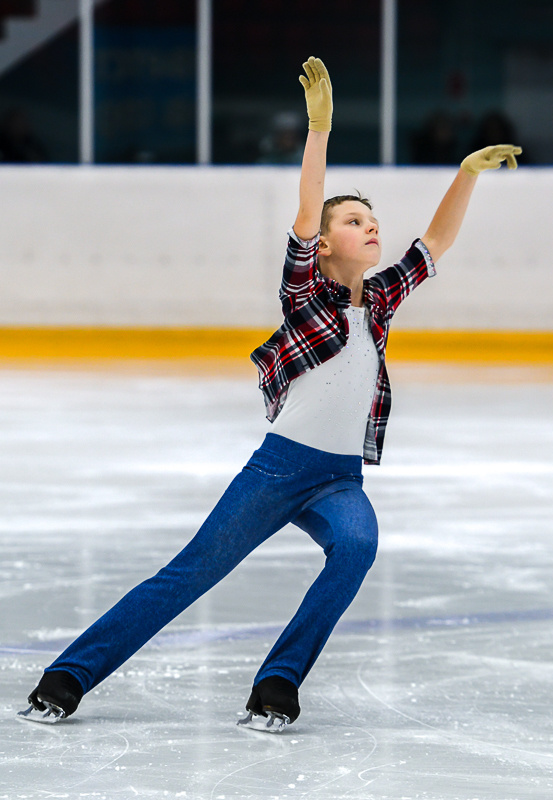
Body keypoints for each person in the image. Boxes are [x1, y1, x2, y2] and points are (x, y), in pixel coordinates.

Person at [20, 57, 521, 732]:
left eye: (372, 220)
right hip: (277, 471)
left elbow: (434, 242)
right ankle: (67, 677)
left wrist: (466, 174)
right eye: (354, 221)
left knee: (357, 547)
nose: (370, 227)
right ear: (327, 245)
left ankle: (278, 683)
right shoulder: (304, 293)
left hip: (340, 479)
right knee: (191, 574)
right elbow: (308, 212)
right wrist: (320, 131)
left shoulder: (379, 301)